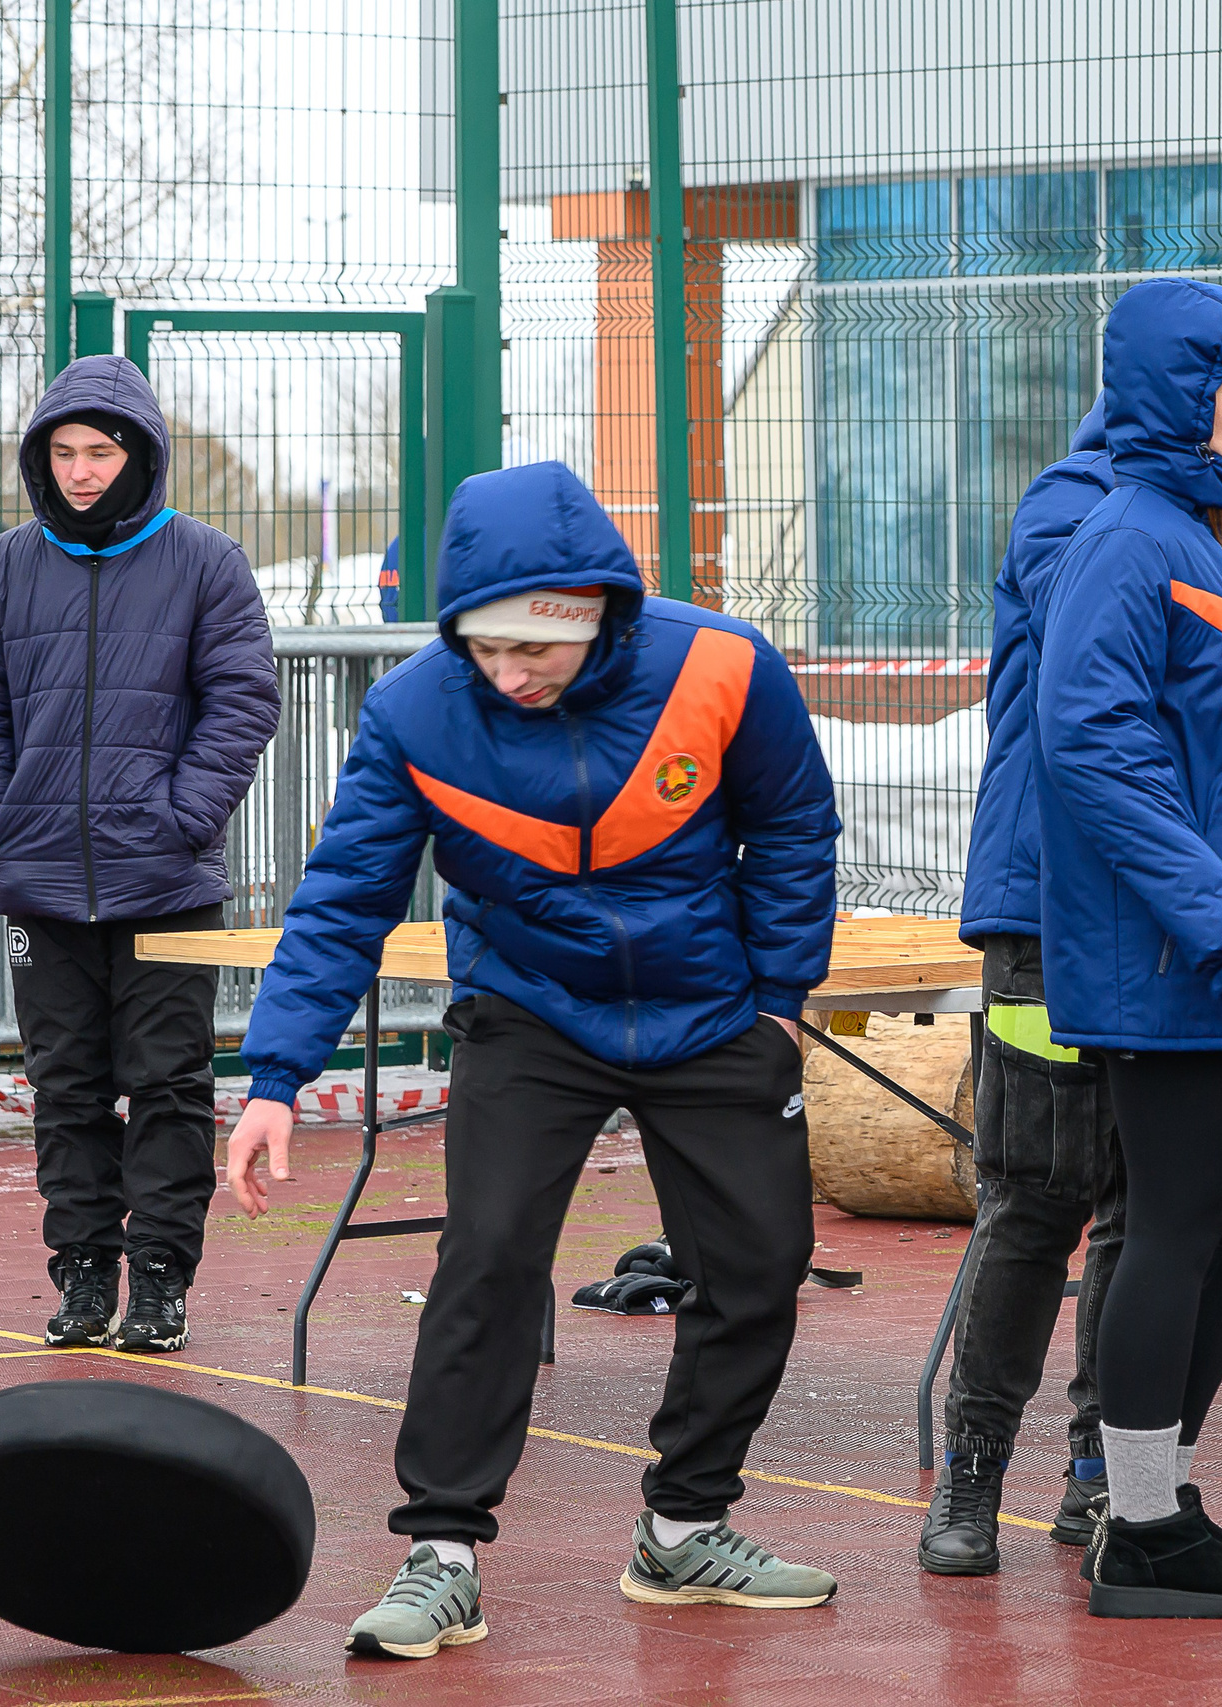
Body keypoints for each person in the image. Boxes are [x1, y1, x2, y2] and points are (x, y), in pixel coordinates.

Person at [223, 461, 844, 1656]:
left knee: (761, 1268)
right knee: (489, 1259)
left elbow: (793, 827)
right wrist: (274, 1079)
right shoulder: (414, 711)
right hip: (530, 1010)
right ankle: (440, 1554)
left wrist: (775, 1003)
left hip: (711, 1013)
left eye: (534, 651)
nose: (508, 675)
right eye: (483, 650)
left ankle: (683, 1528)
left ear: (595, 609)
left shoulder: (722, 667)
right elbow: (343, 896)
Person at [925, 335, 1222, 1577]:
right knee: (1081, 1204)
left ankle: (1134, 1483)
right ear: (1175, 396)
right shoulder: (1110, 528)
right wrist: (1217, 915)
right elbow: (1096, 748)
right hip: (1134, 937)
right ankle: (1094, 1507)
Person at [0, 354, 278, 1357]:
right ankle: (84, 1277)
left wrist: (181, 816)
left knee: (170, 1084)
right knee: (68, 1089)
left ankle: (164, 1281)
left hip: (164, 881)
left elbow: (243, 698)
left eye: (102, 449)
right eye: (65, 450)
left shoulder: (205, 561)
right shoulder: (2, 569)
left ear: (140, 451)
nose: (83, 469)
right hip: (38, 878)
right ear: (39, 457)